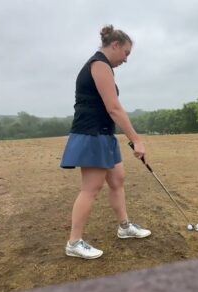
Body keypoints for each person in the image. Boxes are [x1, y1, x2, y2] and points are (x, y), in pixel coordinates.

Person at [60, 25, 151, 260]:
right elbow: (114, 107)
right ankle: (74, 242)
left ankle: (124, 226)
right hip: (91, 134)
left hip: (104, 134)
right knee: (91, 188)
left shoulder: (105, 67)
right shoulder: (99, 64)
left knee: (118, 179)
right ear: (115, 45)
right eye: (126, 53)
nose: (126, 59)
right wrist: (136, 139)